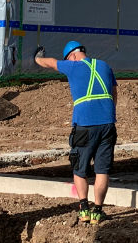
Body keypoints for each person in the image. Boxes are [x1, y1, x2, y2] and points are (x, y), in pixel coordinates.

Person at [33, 41, 117, 224]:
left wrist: (37, 57)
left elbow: (50, 63)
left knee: (79, 168)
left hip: (85, 125)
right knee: (102, 170)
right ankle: (98, 211)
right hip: (108, 124)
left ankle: (84, 208)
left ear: (72, 56)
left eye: (68, 59)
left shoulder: (73, 66)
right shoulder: (104, 65)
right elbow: (114, 92)